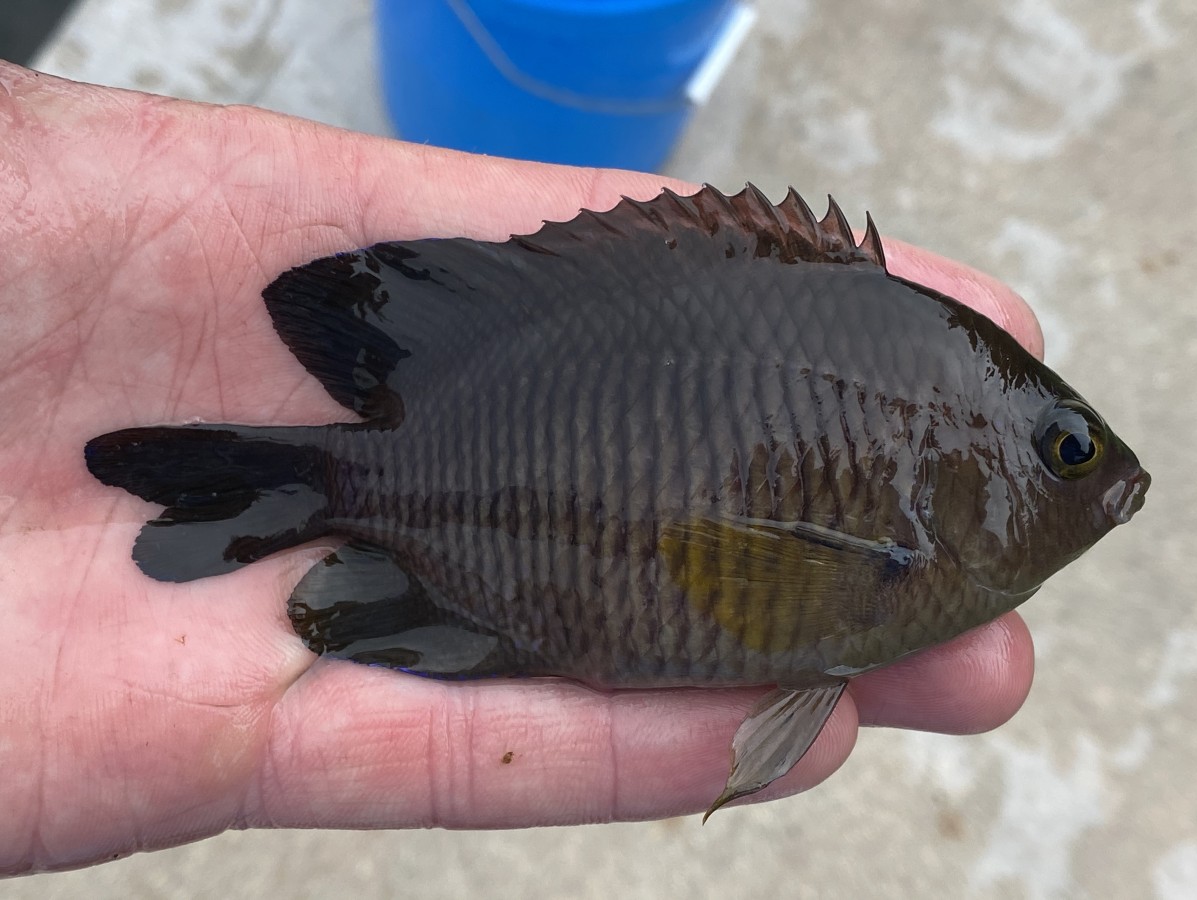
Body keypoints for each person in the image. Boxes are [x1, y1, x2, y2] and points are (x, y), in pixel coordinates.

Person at [0, 60, 1036, 875]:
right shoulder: (906, 499)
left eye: (1065, 452)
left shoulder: (904, 475)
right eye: (1062, 452)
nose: (1093, 481)